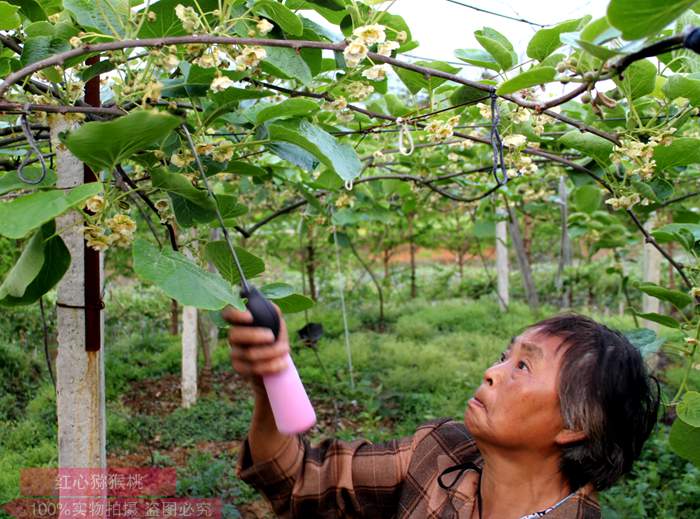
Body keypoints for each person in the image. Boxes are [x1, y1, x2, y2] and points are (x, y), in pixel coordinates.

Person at [224, 309, 660, 519]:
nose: (491, 372)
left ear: (574, 425)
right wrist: (270, 384)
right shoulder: (441, 452)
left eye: (523, 366)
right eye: (504, 357)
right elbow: (298, 479)